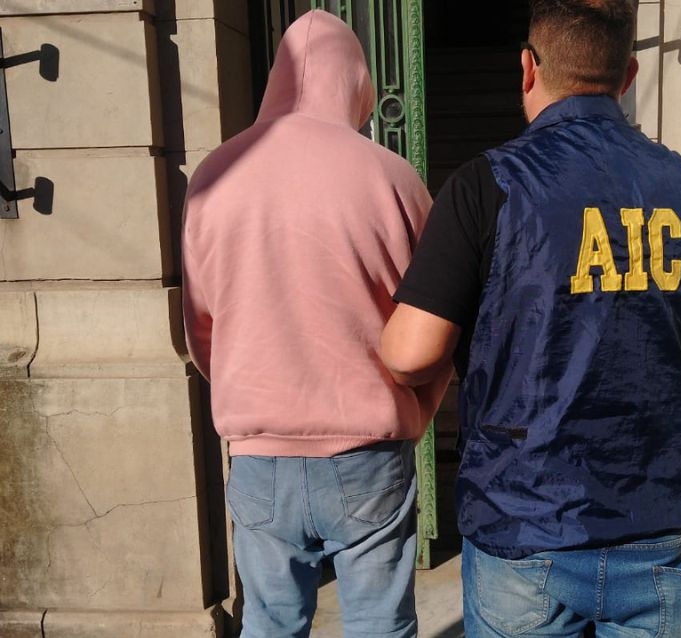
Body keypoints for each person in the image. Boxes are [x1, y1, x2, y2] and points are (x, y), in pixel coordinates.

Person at [381, 0, 681, 636]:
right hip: (657, 522)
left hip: (525, 520)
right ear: (629, 76)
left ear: (527, 68)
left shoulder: (486, 184)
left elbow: (409, 353)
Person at [181, 11, 443, 638]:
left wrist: (251, 393)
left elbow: (200, 326)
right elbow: (435, 320)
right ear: (357, 82)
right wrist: (416, 409)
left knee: (270, 623)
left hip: (259, 450)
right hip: (368, 447)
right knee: (380, 625)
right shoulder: (393, 177)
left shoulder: (216, 174)